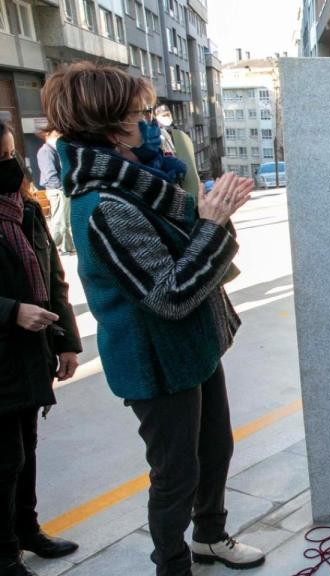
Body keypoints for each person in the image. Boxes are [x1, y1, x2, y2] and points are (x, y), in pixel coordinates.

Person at [41, 62, 264, 576]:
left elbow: (188, 260)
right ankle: (172, 564)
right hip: (156, 363)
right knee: (175, 473)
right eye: (143, 113)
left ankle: (210, 537)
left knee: (216, 450)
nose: (153, 122)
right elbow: (169, 296)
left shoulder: (141, 180)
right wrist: (212, 224)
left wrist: (209, 220)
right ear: (112, 125)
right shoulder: (104, 203)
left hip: (193, 349)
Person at [0, 119, 82, 576]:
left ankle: (27, 530)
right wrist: (11, 310)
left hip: (29, 353)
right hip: (5, 350)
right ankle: (4, 551)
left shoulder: (25, 210)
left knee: (26, 450)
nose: (10, 165)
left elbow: (53, 279)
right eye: (0, 158)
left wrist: (67, 342)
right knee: (4, 458)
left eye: (12, 154)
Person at [34, 131, 74, 255]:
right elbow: (50, 175)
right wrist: (62, 187)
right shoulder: (46, 151)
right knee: (59, 221)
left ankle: (66, 247)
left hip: (60, 189)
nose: (59, 137)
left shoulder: (52, 150)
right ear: (48, 136)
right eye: (56, 135)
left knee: (65, 221)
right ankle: (56, 247)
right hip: (57, 190)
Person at [155, 104, 203, 200]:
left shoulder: (173, 132)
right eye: (163, 115)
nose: (167, 117)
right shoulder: (157, 135)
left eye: (168, 114)